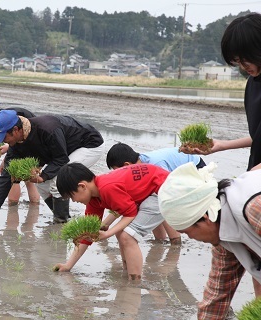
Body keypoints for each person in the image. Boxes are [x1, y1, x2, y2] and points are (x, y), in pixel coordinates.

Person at [158, 162, 261, 319]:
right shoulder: (223, 238)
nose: (191, 238)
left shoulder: (254, 208)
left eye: (187, 232)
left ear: (205, 218)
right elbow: (217, 294)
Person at [0, 110, 104, 224]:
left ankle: (61, 222)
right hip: (65, 150)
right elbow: (6, 176)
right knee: (41, 185)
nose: (4, 141)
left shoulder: (47, 129)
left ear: (15, 130)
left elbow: (61, 159)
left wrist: (43, 176)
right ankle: (61, 216)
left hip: (89, 145)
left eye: (4, 137)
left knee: (56, 180)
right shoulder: (15, 145)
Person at [54, 162, 169, 280]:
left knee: (127, 236)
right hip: (151, 191)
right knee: (121, 233)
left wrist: (108, 233)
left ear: (82, 186)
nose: (73, 201)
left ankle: (134, 282)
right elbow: (87, 236)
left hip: (164, 190)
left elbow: (130, 213)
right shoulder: (94, 199)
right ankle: (128, 270)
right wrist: (68, 265)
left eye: (72, 196)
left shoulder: (107, 187)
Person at [184, 13, 261, 171]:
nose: (243, 66)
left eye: (245, 58)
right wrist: (223, 145)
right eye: (238, 61)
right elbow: (258, 138)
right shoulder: (253, 84)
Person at [106, 142, 207, 243]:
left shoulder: (155, 164)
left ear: (127, 165)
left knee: (159, 201)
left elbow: (166, 193)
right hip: (177, 174)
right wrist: (105, 225)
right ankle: (160, 240)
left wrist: (106, 226)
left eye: (117, 171)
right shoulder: (140, 163)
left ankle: (175, 240)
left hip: (196, 171)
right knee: (149, 199)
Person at [0, 107, 40, 206]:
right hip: (28, 148)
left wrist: (8, 148)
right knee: (27, 179)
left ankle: (12, 207)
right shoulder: (7, 114)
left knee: (14, 177)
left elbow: (20, 138)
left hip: (31, 146)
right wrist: (5, 159)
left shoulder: (10, 118)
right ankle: (33, 209)